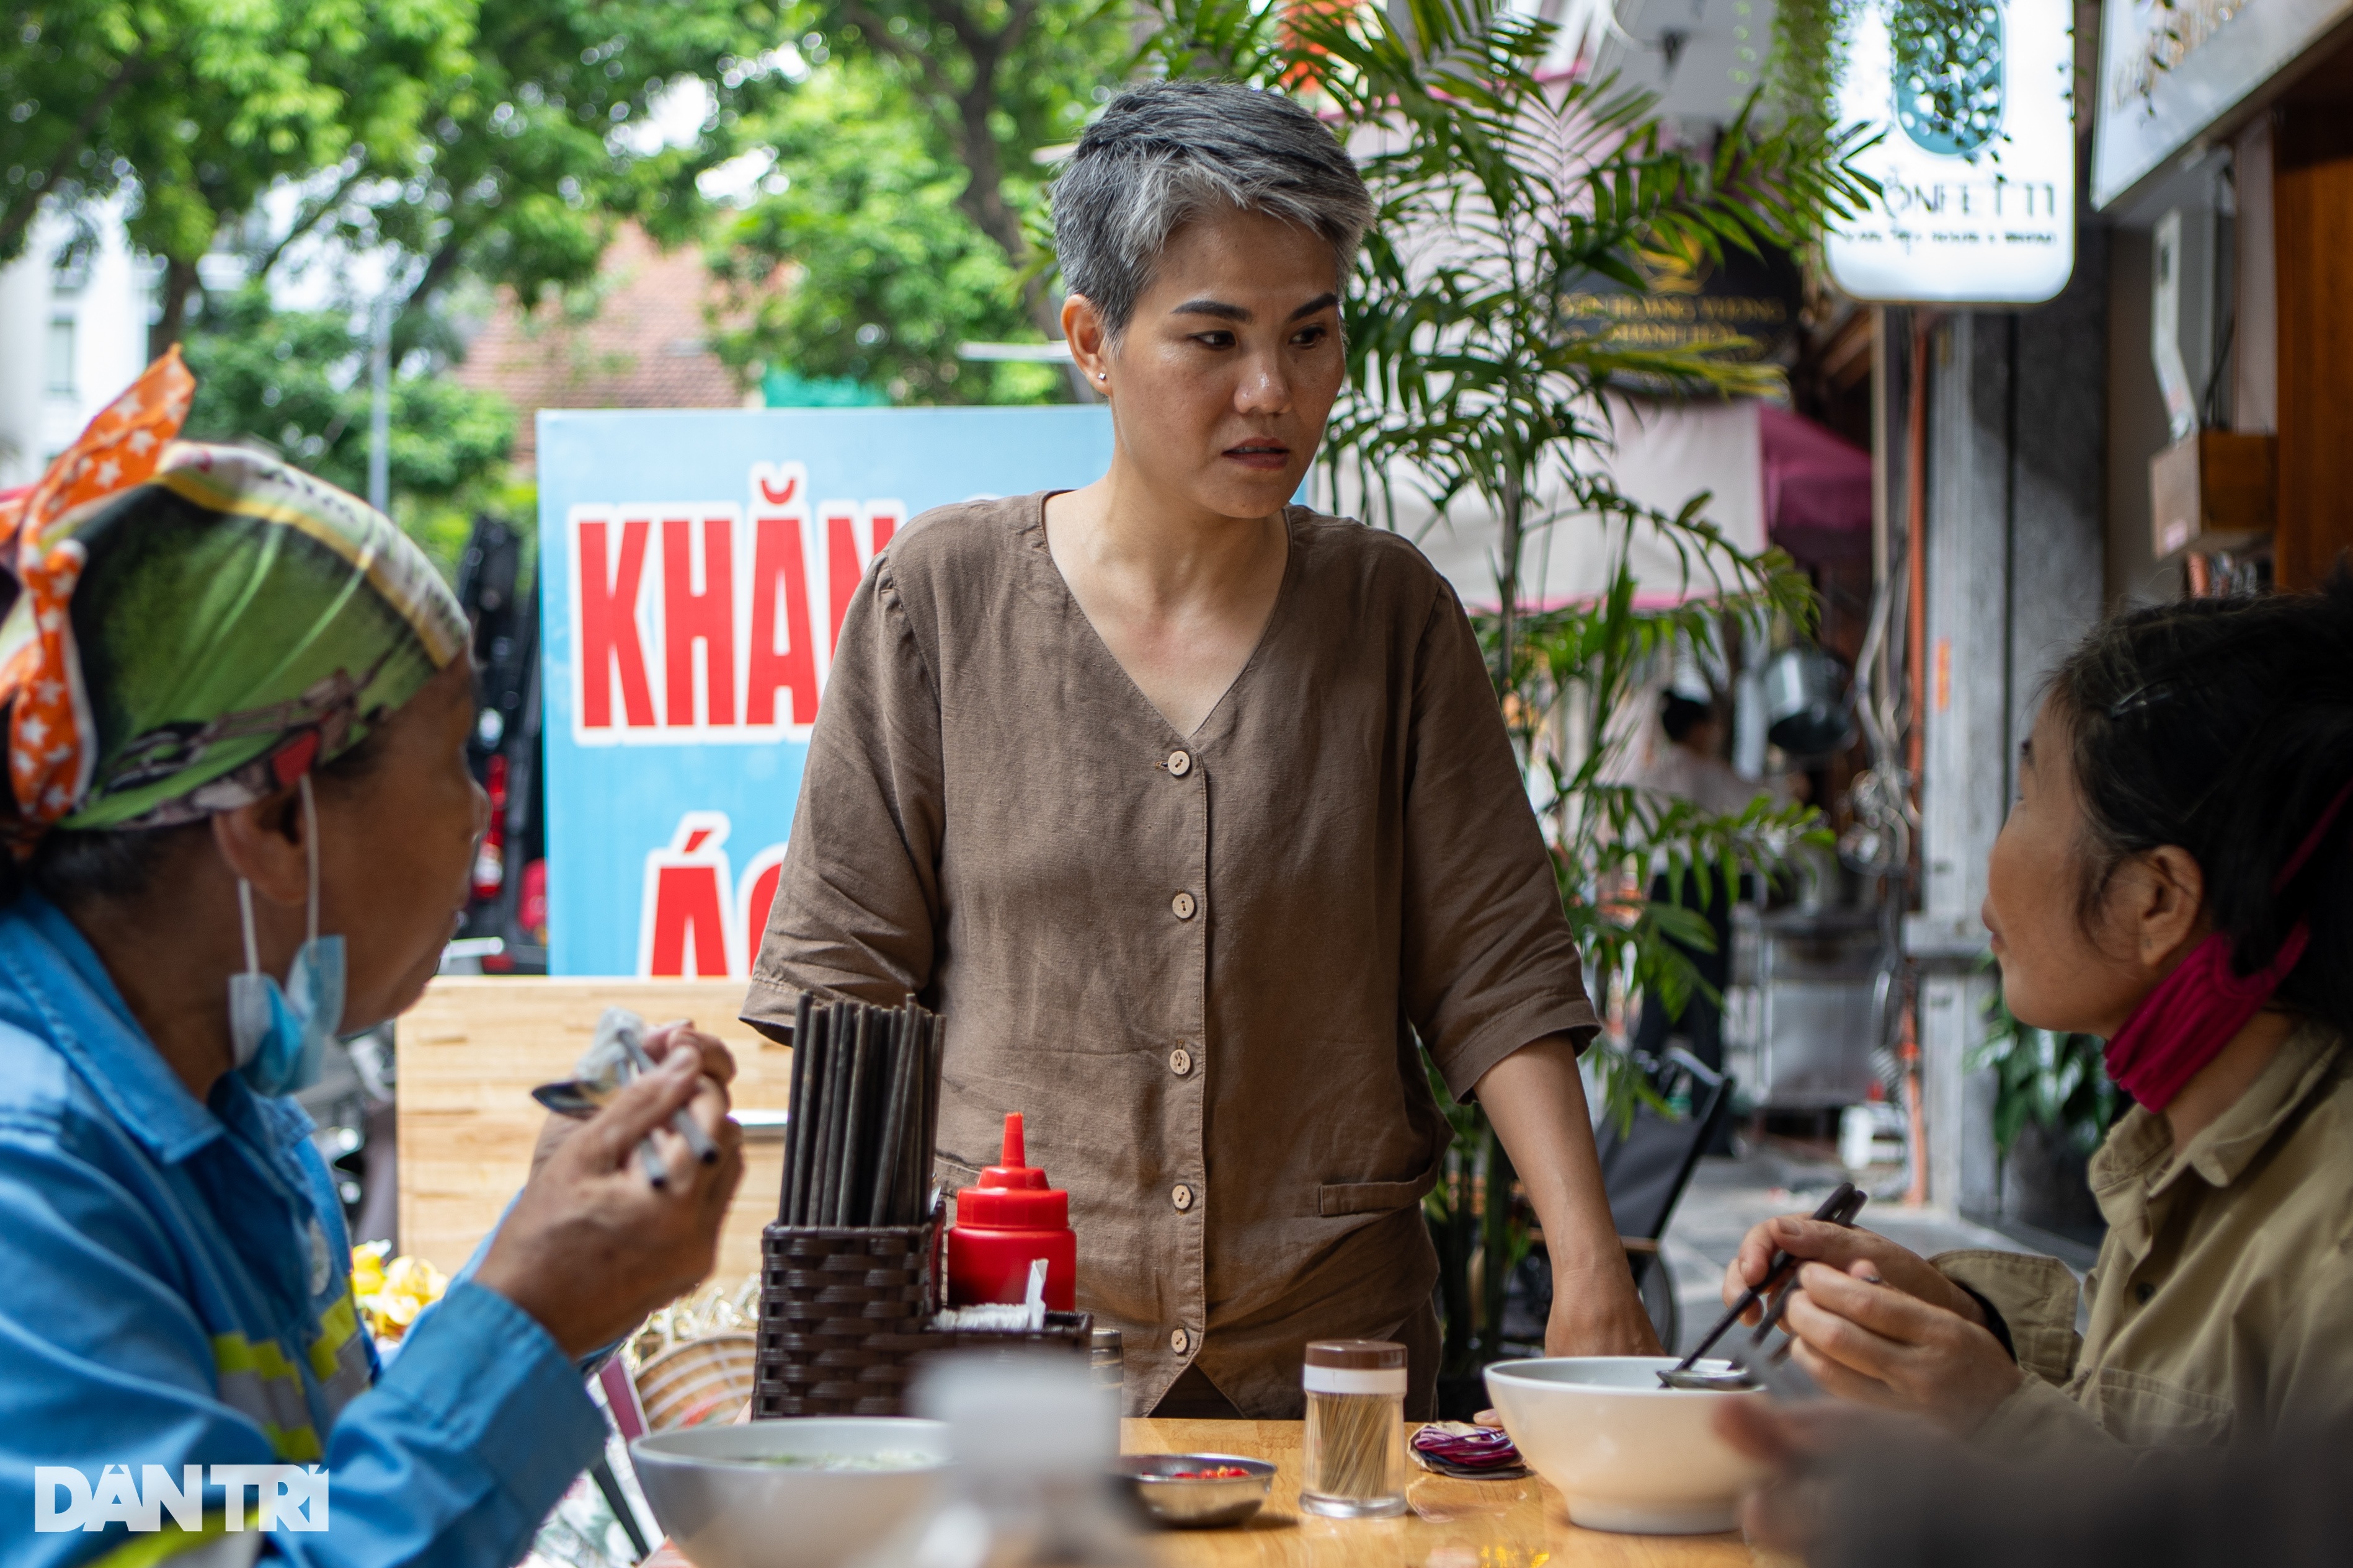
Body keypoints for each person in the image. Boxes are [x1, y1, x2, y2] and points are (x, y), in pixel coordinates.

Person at [745, 79, 1657, 1420]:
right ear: (1091, 340)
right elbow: (846, 985)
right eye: (1213, 337)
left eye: (1311, 334)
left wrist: (1590, 1265)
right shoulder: (939, 599)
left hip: (1331, 1355)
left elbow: (1493, 962)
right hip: (1011, 1350)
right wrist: (834, 1327)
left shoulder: (1388, 615)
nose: (1271, 391)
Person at [0, 352, 744, 1567]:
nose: (476, 813)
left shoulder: (229, 1124)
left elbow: (298, 1485)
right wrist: (529, 1308)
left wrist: (568, 1290)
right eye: (454, 756)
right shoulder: (29, 1178)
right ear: (275, 817)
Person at [1718, 577, 2353, 1454]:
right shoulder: (2192, 1144)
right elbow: (2141, 1386)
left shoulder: (2333, 1229)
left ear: (2155, 898)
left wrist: (1996, 1418)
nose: (1992, 852)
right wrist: (1958, 1311)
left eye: (2023, 798)